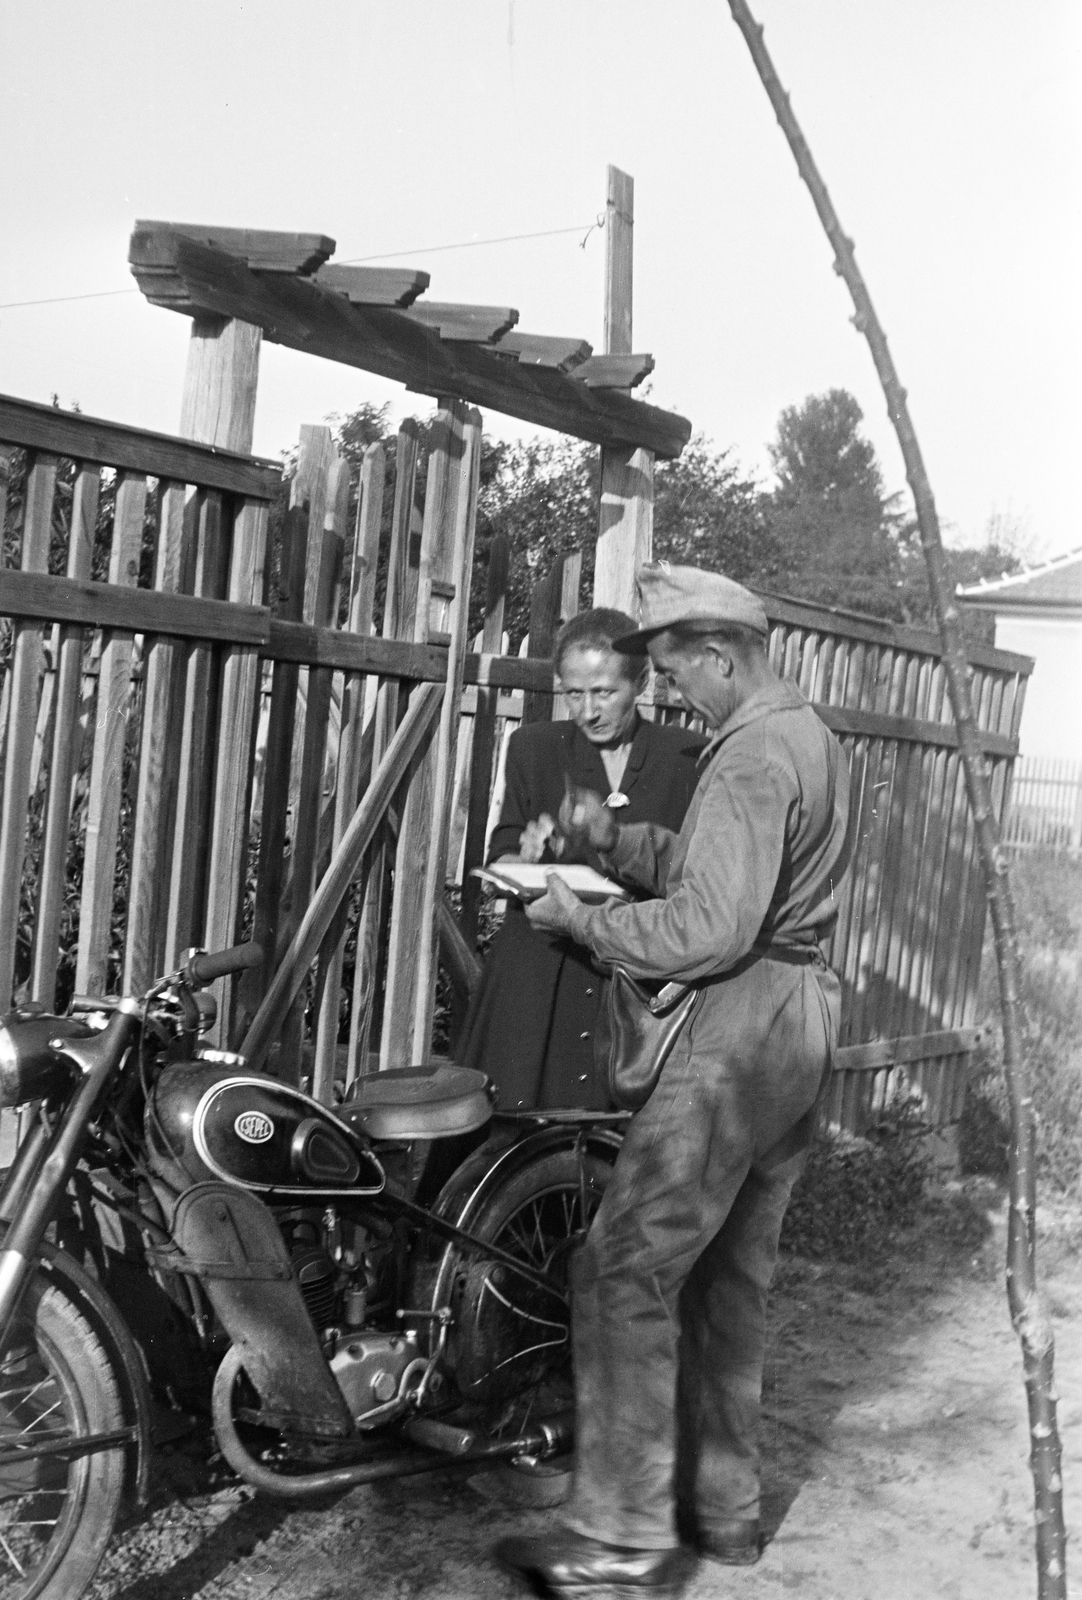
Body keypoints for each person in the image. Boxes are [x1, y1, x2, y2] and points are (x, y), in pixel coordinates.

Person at [496, 563, 852, 1599]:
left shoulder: (745, 756)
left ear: (718, 652)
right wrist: (615, 837)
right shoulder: (811, 736)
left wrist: (583, 916)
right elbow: (727, 873)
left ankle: (617, 1540)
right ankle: (723, 1513)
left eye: (673, 670)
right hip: (799, 1022)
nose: (667, 694)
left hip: (735, 1027)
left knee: (619, 1268)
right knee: (727, 1273)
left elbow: (709, 925)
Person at [459, 607, 705, 1111]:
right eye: (574, 694)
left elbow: (692, 875)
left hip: (636, 979)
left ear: (640, 682)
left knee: (621, 1140)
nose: (587, 710)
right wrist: (522, 855)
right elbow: (500, 852)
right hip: (541, 973)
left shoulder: (685, 757)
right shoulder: (534, 748)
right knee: (517, 1136)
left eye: (604, 692)